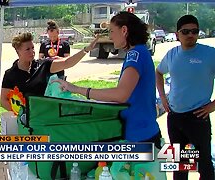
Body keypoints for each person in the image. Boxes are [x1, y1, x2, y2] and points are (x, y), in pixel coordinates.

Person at [54, 11, 162, 144]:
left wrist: (77, 89)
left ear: (124, 30)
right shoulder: (140, 51)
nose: (110, 37)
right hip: (143, 131)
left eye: (111, 31)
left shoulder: (135, 55)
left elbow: (120, 94)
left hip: (140, 135)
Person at [156, 15, 215, 180]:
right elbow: (159, 72)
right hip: (174, 116)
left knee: (204, 164)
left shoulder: (210, 54)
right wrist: (162, 97)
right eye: (186, 31)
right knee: (178, 163)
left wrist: (213, 106)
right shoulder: (171, 54)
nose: (191, 35)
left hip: (198, 117)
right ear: (177, 34)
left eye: (194, 31)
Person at [0, 32, 98, 112]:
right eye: (27, 49)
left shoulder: (43, 65)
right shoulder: (10, 74)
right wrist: (21, 113)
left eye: (33, 48)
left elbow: (67, 62)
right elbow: (3, 101)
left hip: (47, 113)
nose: (32, 52)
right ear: (18, 51)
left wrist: (86, 50)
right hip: (26, 119)